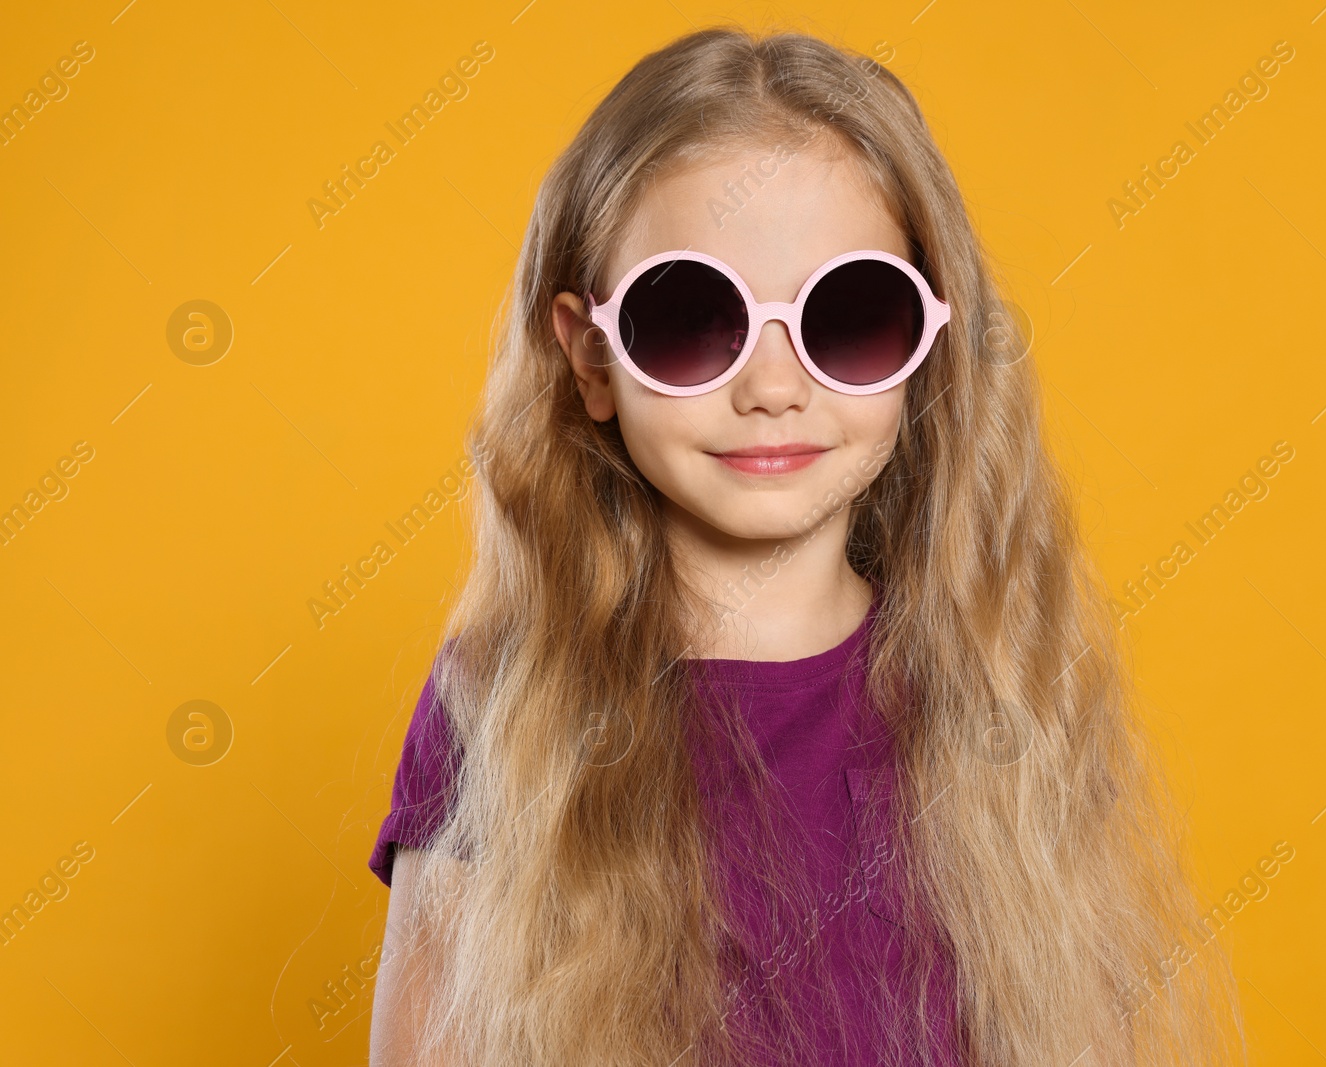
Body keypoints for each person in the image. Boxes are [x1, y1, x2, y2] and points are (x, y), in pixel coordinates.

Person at [366, 26, 1242, 1067]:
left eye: (848, 316)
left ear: (928, 347)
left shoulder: (999, 685)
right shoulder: (503, 705)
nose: (774, 387)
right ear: (590, 359)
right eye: (691, 317)